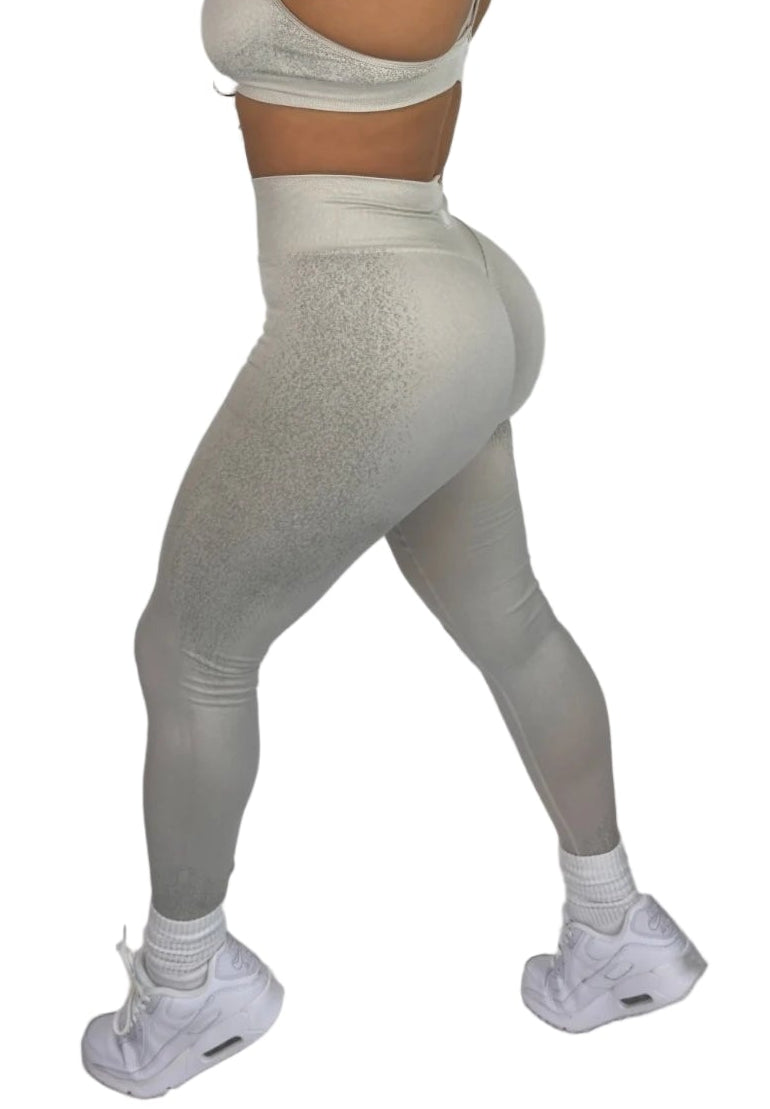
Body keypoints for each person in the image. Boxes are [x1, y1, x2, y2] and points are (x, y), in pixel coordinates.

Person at [81, 1, 707, 1096]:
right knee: (510, 620)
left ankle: (187, 984)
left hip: (379, 318)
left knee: (191, 651)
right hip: (449, 289)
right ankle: (617, 926)